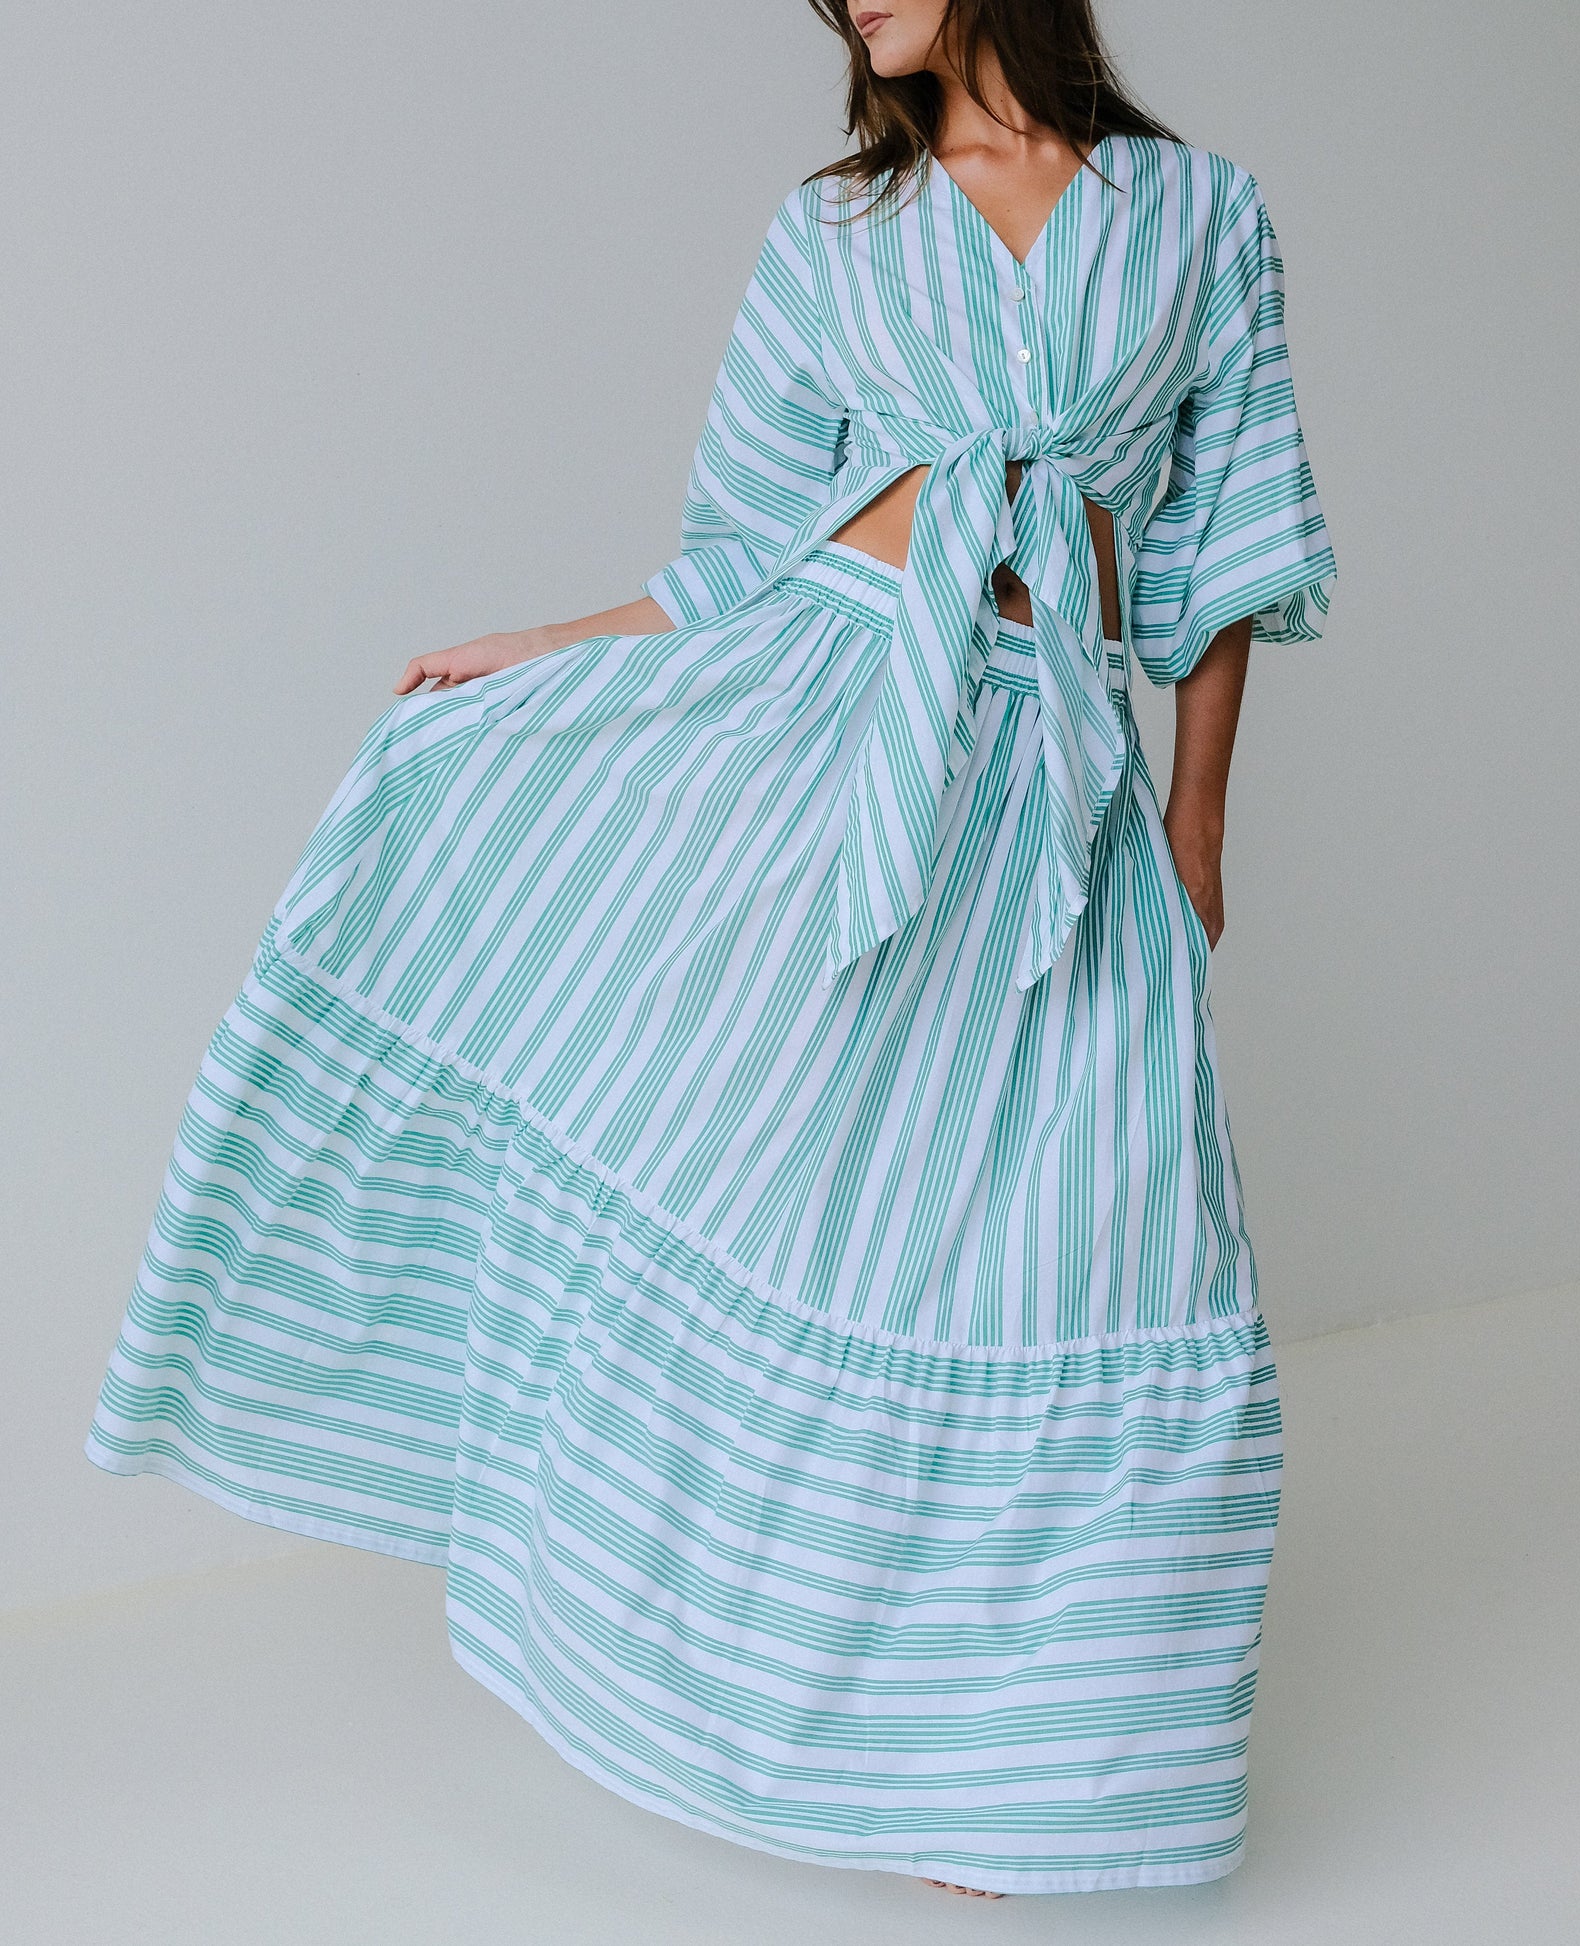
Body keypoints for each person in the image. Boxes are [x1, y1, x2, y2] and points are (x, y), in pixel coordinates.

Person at [84, 0, 1336, 1900]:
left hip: (1046, 756)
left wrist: (1196, 815)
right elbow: (736, 551)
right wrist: (537, 654)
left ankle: (1015, 1769)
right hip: (826, 711)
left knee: (1080, 1238)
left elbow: (1223, 540)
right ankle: (740, 1691)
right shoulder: (837, 229)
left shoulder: (1196, 216)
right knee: (794, 1188)